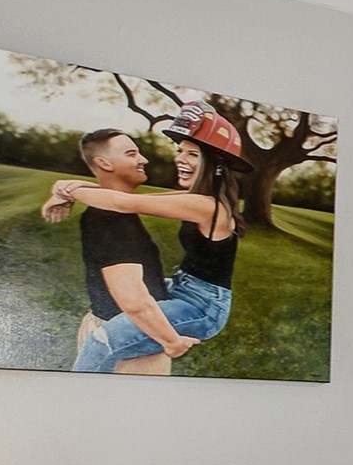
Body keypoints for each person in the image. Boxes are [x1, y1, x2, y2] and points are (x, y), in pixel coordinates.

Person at [45, 102, 245, 373]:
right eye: (180, 152)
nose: (180, 160)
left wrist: (66, 191)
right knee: (128, 291)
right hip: (182, 286)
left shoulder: (208, 207)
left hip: (202, 307)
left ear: (214, 163)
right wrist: (68, 188)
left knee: (103, 340)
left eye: (192, 154)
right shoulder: (195, 198)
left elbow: (124, 204)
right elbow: (127, 199)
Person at [50, 128, 195, 373]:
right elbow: (134, 300)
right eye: (132, 153)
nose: (143, 159)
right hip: (127, 340)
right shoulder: (112, 220)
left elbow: (192, 198)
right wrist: (172, 341)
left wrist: (68, 188)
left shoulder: (114, 211)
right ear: (104, 163)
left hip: (114, 330)